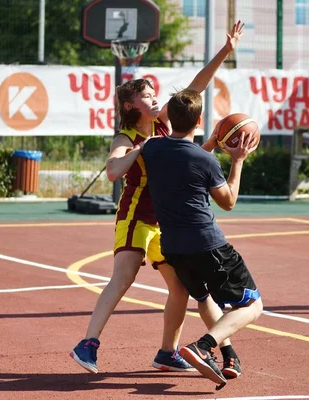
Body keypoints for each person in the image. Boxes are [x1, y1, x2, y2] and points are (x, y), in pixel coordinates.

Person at [70, 21, 247, 374]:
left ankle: (167, 352)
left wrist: (225, 52)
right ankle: (87, 343)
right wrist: (141, 148)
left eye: (155, 95)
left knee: (180, 288)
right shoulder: (127, 136)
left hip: (164, 224)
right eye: (147, 96)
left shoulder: (165, 123)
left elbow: (196, 87)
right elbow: (112, 171)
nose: (155, 99)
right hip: (135, 217)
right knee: (123, 277)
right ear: (130, 105)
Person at [141, 89, 263, 390]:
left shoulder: (152, 148)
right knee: (253, 306)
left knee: (204, 298)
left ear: (170, 115)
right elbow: (228, 201)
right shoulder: (206, 162)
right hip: (208, 244)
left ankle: (229, 355)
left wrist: (212, 143)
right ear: (199, 120)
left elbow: (185, 156)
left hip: (173, 246)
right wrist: (238, 160)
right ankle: (204, 346)